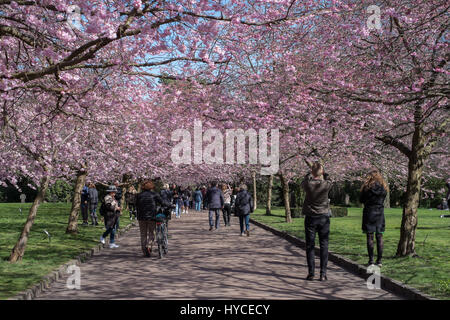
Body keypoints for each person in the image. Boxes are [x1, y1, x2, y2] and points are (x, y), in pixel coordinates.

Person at [301, 161, 333, 281]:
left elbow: (303, 181)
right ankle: (323, 273)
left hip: (310, 217)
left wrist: (309, 173)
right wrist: (324, 173)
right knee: (324, 245)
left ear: (312, 172)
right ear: (322, 172)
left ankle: (311, 273)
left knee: (310, 245)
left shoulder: (308, 184)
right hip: (323, 216)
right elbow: (329, 178)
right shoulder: (326, 184)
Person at [360, 169, 388, 267]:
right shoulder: (383, 188)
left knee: (370, 236)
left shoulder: (366, 188)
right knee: (379, 236)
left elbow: (361, 199)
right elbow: (383, 198)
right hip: (379, 213)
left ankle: (371, 260)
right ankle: (379, 260)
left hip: (369, 212)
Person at [136, 180, 171, 257]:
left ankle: (144, 251)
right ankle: (149, 246)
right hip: (151, 216)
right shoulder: (154, 194)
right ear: (151, 187)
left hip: (141, 217)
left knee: (143, 234)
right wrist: (169, 205)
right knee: (152, 232)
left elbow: (136, 205)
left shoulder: (139, 195)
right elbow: (162, 202)